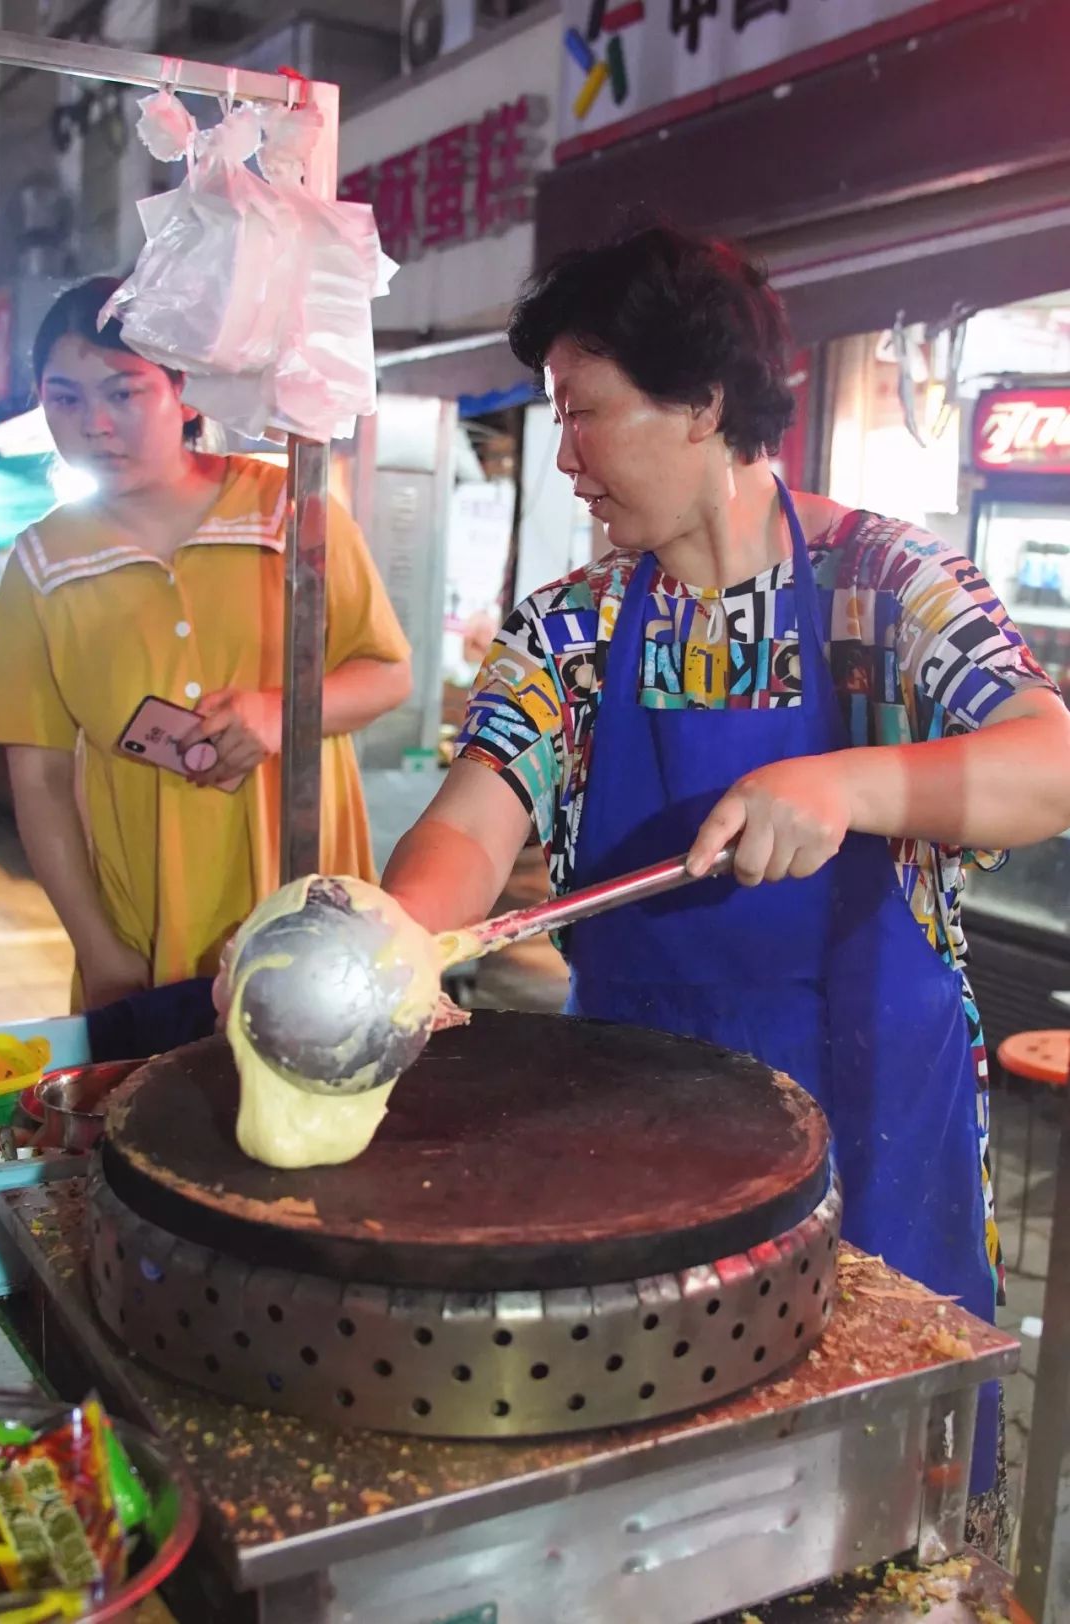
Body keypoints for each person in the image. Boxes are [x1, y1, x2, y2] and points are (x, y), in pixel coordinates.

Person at [380, 227, 1070, 1551]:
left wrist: (849, 786)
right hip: (643, 1148)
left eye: (583, 413)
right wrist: (392, 937)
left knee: (881, 1523)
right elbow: (471, 824)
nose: (564, 458)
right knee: (682, 1518)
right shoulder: (573, 626)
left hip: (880, 1125)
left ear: (701, 402)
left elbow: (1048, 765)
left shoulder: (889, 584)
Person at [0, 276, 411, 1011]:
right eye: (65, 398)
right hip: (143, 927)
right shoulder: (41, 564)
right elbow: (39, 778)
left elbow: (387, 673)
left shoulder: (290, 509)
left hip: (306, 907)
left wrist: (279, 713)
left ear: (182, 392)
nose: (94, 423)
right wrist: (100, 950)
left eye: (124, 393)